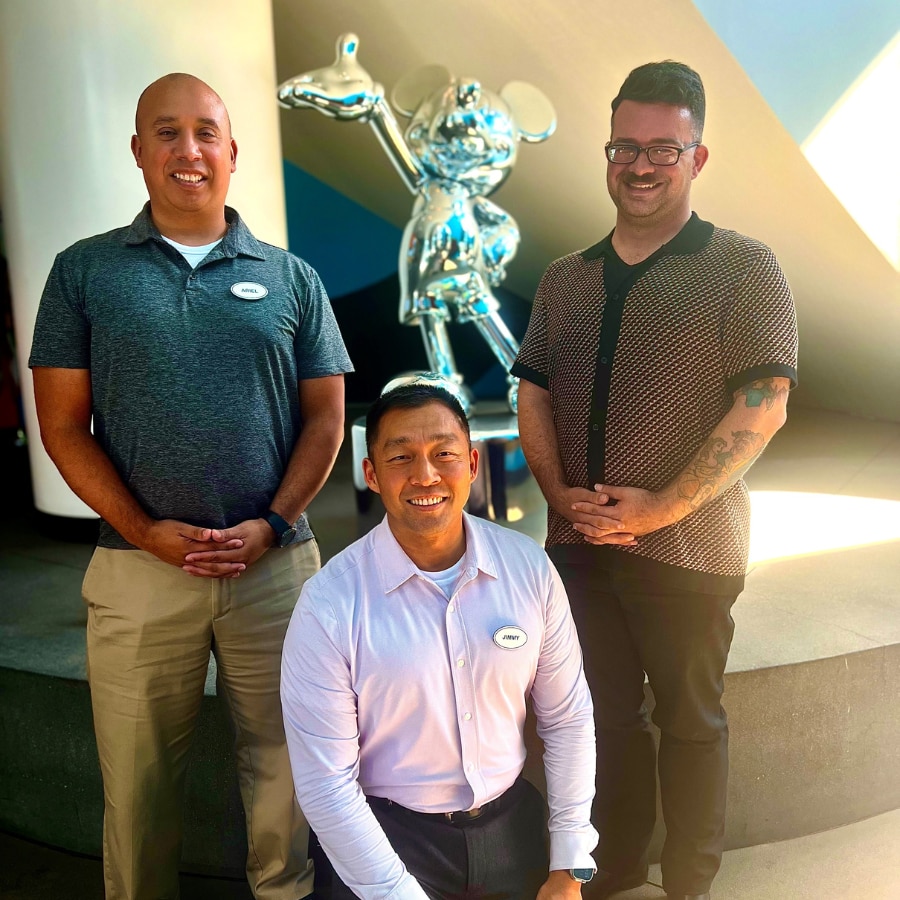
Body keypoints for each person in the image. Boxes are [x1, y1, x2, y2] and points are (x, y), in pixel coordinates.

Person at [28, 73, 353, 900]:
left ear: (233, 152)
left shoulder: (292, 278)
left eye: (206, 131)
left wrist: (275, 524)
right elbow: (62, 425)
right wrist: (144, 531)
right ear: (138, 151)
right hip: (139, 573)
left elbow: (327, 421)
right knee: (134, 788)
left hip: (275, 571)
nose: (188, 150)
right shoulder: (83, 272)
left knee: (287, 774)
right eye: (166, 133)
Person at [511, 62, 798, 900]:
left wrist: (662, 508)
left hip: (690, 549)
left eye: (663, 150)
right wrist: (560, 494)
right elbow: (530, 390)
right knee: (602, 721)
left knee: (690, 723)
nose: (641, 165)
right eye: (624, 147)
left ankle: (689, 886)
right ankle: (618, 868)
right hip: (577, 548)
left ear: (697, 158)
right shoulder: (566, 277)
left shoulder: (747, 268)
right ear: (607, 152)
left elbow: (763, 404)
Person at [281, 382, 598, 900]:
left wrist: (569, 861)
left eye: (443, 454)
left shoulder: (529, 569)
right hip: (385, 839)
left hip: (512, 829)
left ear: (472, 463)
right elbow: (326, 784)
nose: (425, 475)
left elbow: (567, 717)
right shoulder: (330, 604)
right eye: (401, 457)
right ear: (371, 474)